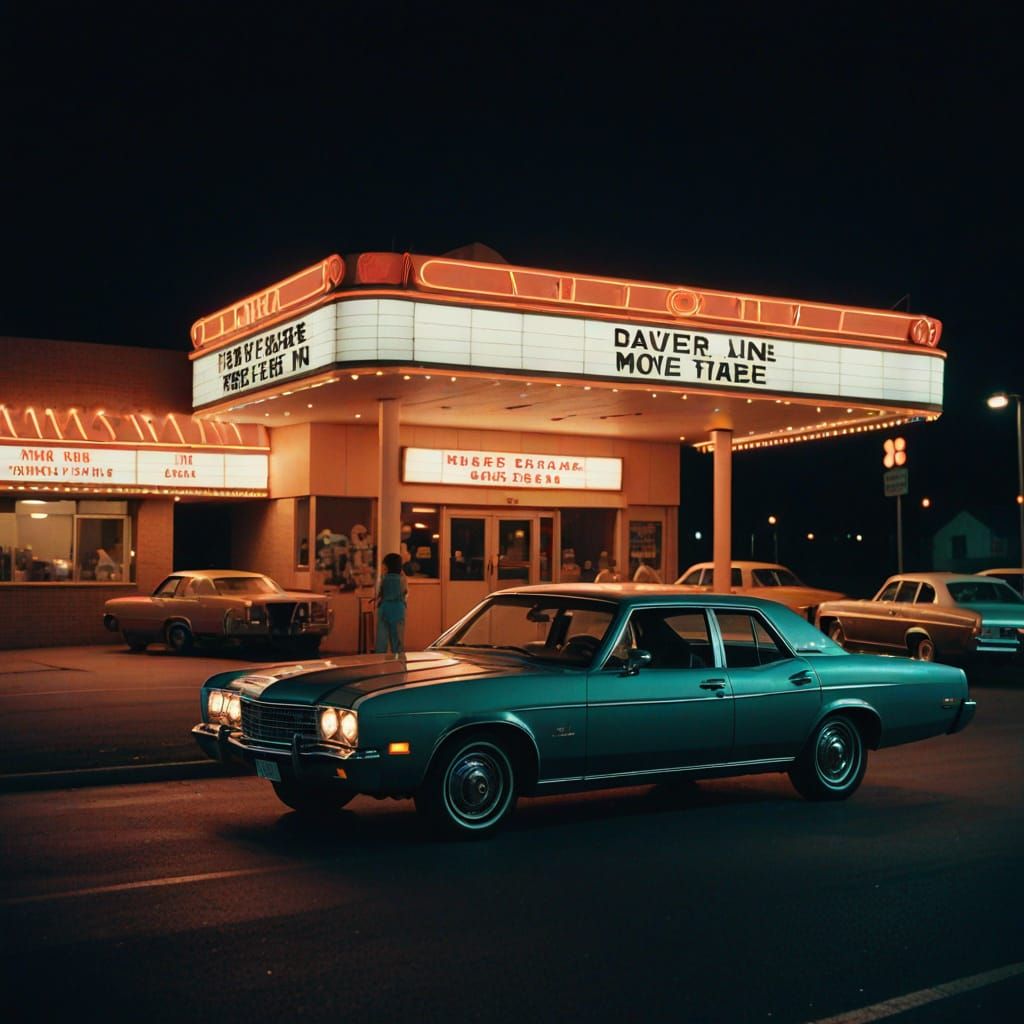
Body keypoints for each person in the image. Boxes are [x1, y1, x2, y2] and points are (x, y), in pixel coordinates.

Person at [374, 552, 408, 657]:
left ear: (387, 565)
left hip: (384, 608)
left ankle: (378, 663)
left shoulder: (384, 578)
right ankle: (400, 664)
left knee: (381, 639)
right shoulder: (402, 578)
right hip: (398, 609)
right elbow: (405, 592)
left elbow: (379, 593)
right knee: (397, 641)